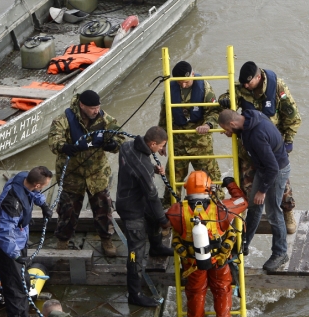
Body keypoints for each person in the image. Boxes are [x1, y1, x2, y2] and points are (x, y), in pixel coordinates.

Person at [219, 61, 301, 233]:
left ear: (258, 77)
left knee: (281, 184)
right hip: (249, 147)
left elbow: (292, 117)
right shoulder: (241, 88)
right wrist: (224, 100)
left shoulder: (278, 86)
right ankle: (249, 221)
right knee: (248, 188)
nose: (246, 86)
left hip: (272, 146)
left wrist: (287, 142)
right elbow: (225, 104)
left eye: (249, 82)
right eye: (244, 83)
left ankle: (287, 212)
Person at [48, 90, 124, 256]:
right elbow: (54, 140)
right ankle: (63, 240)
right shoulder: (63, 120)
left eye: (98, 107)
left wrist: (112, 144)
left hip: (97, 172)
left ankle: (106, 239)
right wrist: (66, 147)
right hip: (71, 174)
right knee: (68, 210)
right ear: (82, 105)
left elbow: (120, 136)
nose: (96, 111)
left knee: (103, 208)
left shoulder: (105, 119)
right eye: (92, 108)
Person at [166, 171, 248, 317]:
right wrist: (230, 183)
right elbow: (242, 201)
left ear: (186, 188)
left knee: (196, 293)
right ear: (209, 189)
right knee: (222, 291)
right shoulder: (222, 209)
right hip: (219, 262)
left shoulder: (176, 211)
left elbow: (163, 220)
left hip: (193, 264)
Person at [218, 109, 291, 271]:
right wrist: (234, 134)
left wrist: (262, 190)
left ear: (232, 123)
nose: (226, 132)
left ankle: (280, 253)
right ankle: (243, 244)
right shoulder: (248, 118)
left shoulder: (257, 135)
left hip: (276, 170)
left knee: (273, 212)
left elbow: (272, 167)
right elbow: (242, 131)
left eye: (226, 129)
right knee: (254, 208)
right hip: (263, 168)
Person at [115, 126, 175, 307]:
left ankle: (156, 247)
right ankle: (134, 294)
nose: (162, 149)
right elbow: (152, 196)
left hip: (130, 196)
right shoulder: (144, 166)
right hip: (131, 210)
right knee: (136, 252)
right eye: (161, 146)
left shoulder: (126, 146)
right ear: (152, 143)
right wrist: (164, 220)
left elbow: (137, 168)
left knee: (152, 218)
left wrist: (153, 170)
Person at [0, 166, 55, 317]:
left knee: (22, 280)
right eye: (44, 185)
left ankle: (24, 304)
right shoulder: (12, 203)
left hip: (20, 239)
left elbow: (34, 193)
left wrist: (43, 205)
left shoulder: (24, 177)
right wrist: (16, 256)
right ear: (37, 184)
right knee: (15, 287)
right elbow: (4, 233)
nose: (42, 188)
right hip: (8, 247)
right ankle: (19, 314)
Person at [158, 61, 223, 207]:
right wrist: (162, 140)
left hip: (200, 144)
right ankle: (171, 211)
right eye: (180, 83)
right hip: (178, 144)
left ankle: (218, 208)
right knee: (172, 179)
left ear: (192, 74)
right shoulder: (170, 88)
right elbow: (164, 117)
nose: (183, 85)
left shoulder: (204, 88)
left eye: (186, 82)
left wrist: (208, 124)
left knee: (212, 179)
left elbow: (214, 111)